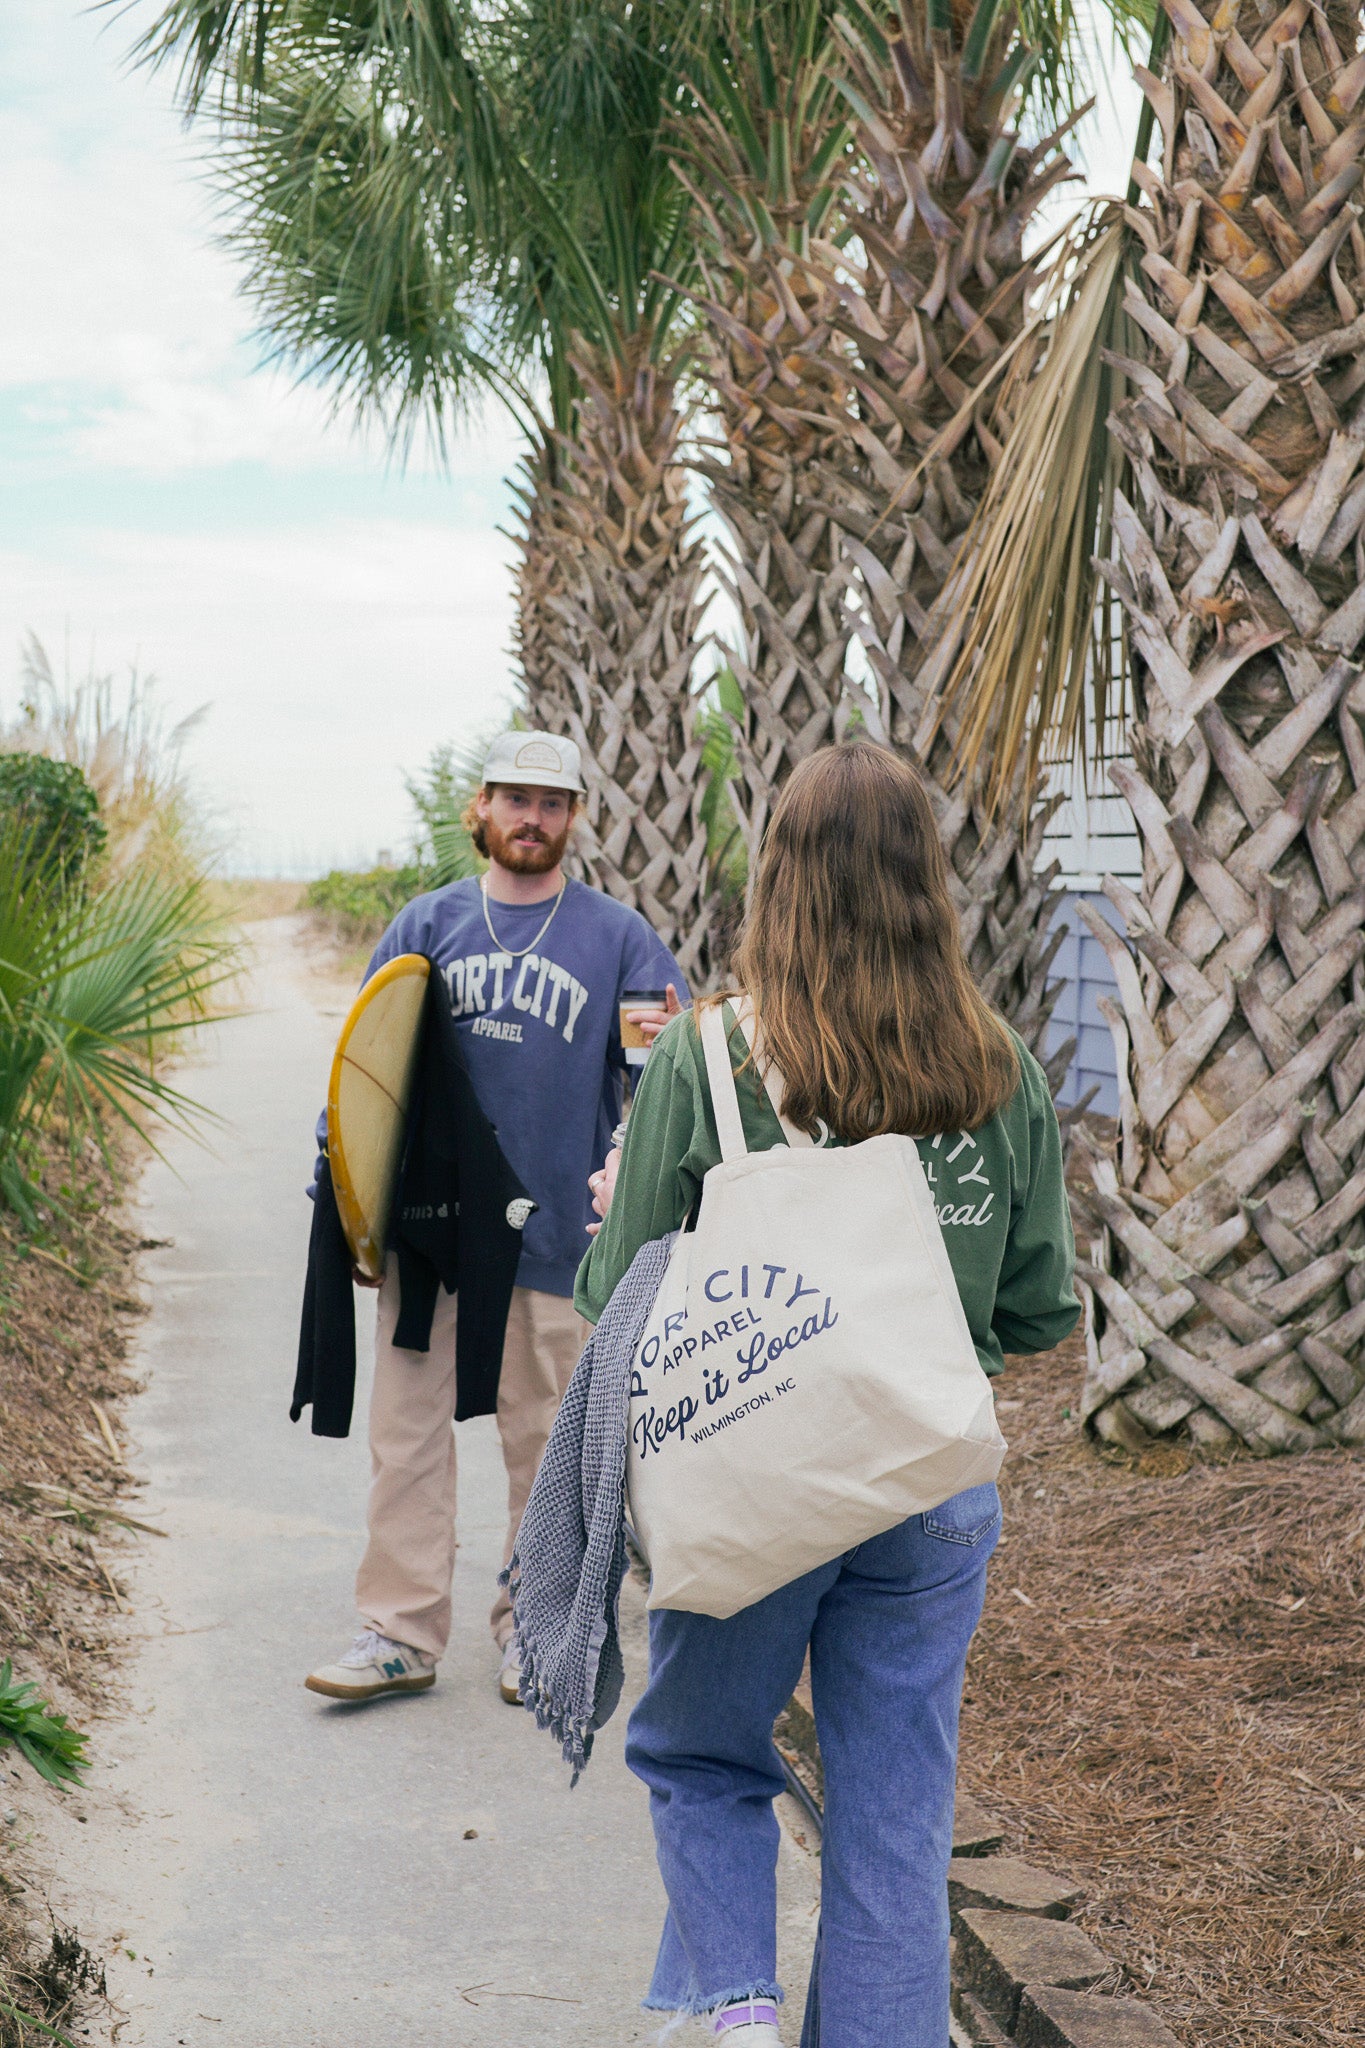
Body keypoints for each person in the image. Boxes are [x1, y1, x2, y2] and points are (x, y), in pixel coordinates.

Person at [576, 741, 1078, 2048]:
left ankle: (736, 2007)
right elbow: (1033, 1307)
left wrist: (606, 1210)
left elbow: (611, 1295)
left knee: (697, 1756)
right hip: (931, 1490)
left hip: (754, 1485)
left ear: (776, 884)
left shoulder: (707, 1064)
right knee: (895, 1823)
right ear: (929, 879)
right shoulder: (997, 1068)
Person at [306, 729, 687, 1706]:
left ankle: (536, 1629)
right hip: (427, 1236)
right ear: (482, 808)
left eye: (553, 801)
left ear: (573, 817)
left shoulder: (620, 939)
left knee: (548, 1447)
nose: (533, 817)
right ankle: (398, 1629)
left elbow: (661, 1089)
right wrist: (346, 1206)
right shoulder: (424, 925)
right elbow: (365, 1075)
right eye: (516, 797)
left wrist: (632, 1202)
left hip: (559, 1237)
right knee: (408, 1438)